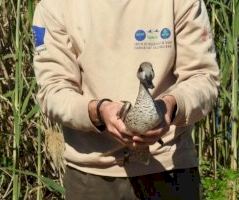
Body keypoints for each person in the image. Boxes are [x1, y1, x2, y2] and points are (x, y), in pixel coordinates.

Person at [32, 0, 219, 199]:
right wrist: (98, 112)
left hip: (170, 170)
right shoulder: (55, 6)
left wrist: (171, 107)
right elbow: (53, 91)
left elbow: (203, 79)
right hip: (92, 177)